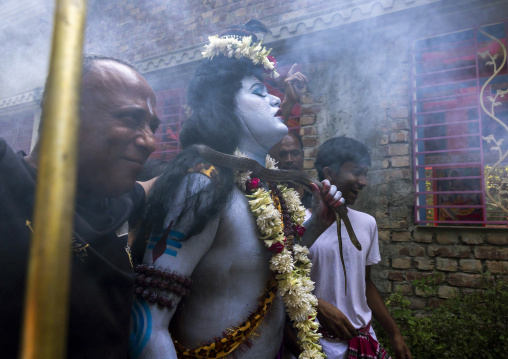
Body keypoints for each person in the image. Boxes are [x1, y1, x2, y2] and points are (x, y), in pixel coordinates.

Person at [129, 20, 343, 359]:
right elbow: (148, 323)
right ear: (224, 106)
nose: (275, 101)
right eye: (259, 92)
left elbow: (273, 260)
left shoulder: (268, 186)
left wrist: (318, 220)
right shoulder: (201, 183)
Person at [0, 54, 160, 358]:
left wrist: (203, 162)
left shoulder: (114, 202)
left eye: (152, 126)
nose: (150, 142)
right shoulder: (7, 180)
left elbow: (148, 189)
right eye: (131, 118)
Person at [302, 137, 412, 359]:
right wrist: (315, 306)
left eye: (366, 174)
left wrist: (394, 334)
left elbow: (364, 282)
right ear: (329, 173)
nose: (363, 182)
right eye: (356, 172)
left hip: (363, 340)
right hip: (314, 344)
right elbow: (282, 286)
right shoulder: (299, 224)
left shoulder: (367, 223)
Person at [269, 131, 312, 208]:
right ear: (272, 158)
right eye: (282, 154)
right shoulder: (267, 196)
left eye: (295, 153)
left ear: (302, 155)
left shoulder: (315, 192)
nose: (289, 160)